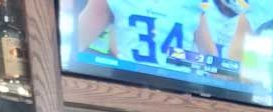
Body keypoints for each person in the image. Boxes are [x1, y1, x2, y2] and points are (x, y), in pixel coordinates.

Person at [76, 0, 204, 68]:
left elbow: (212, 64)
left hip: (178, 95)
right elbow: (73, 46)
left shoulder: (196, 5)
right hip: (127, 88)